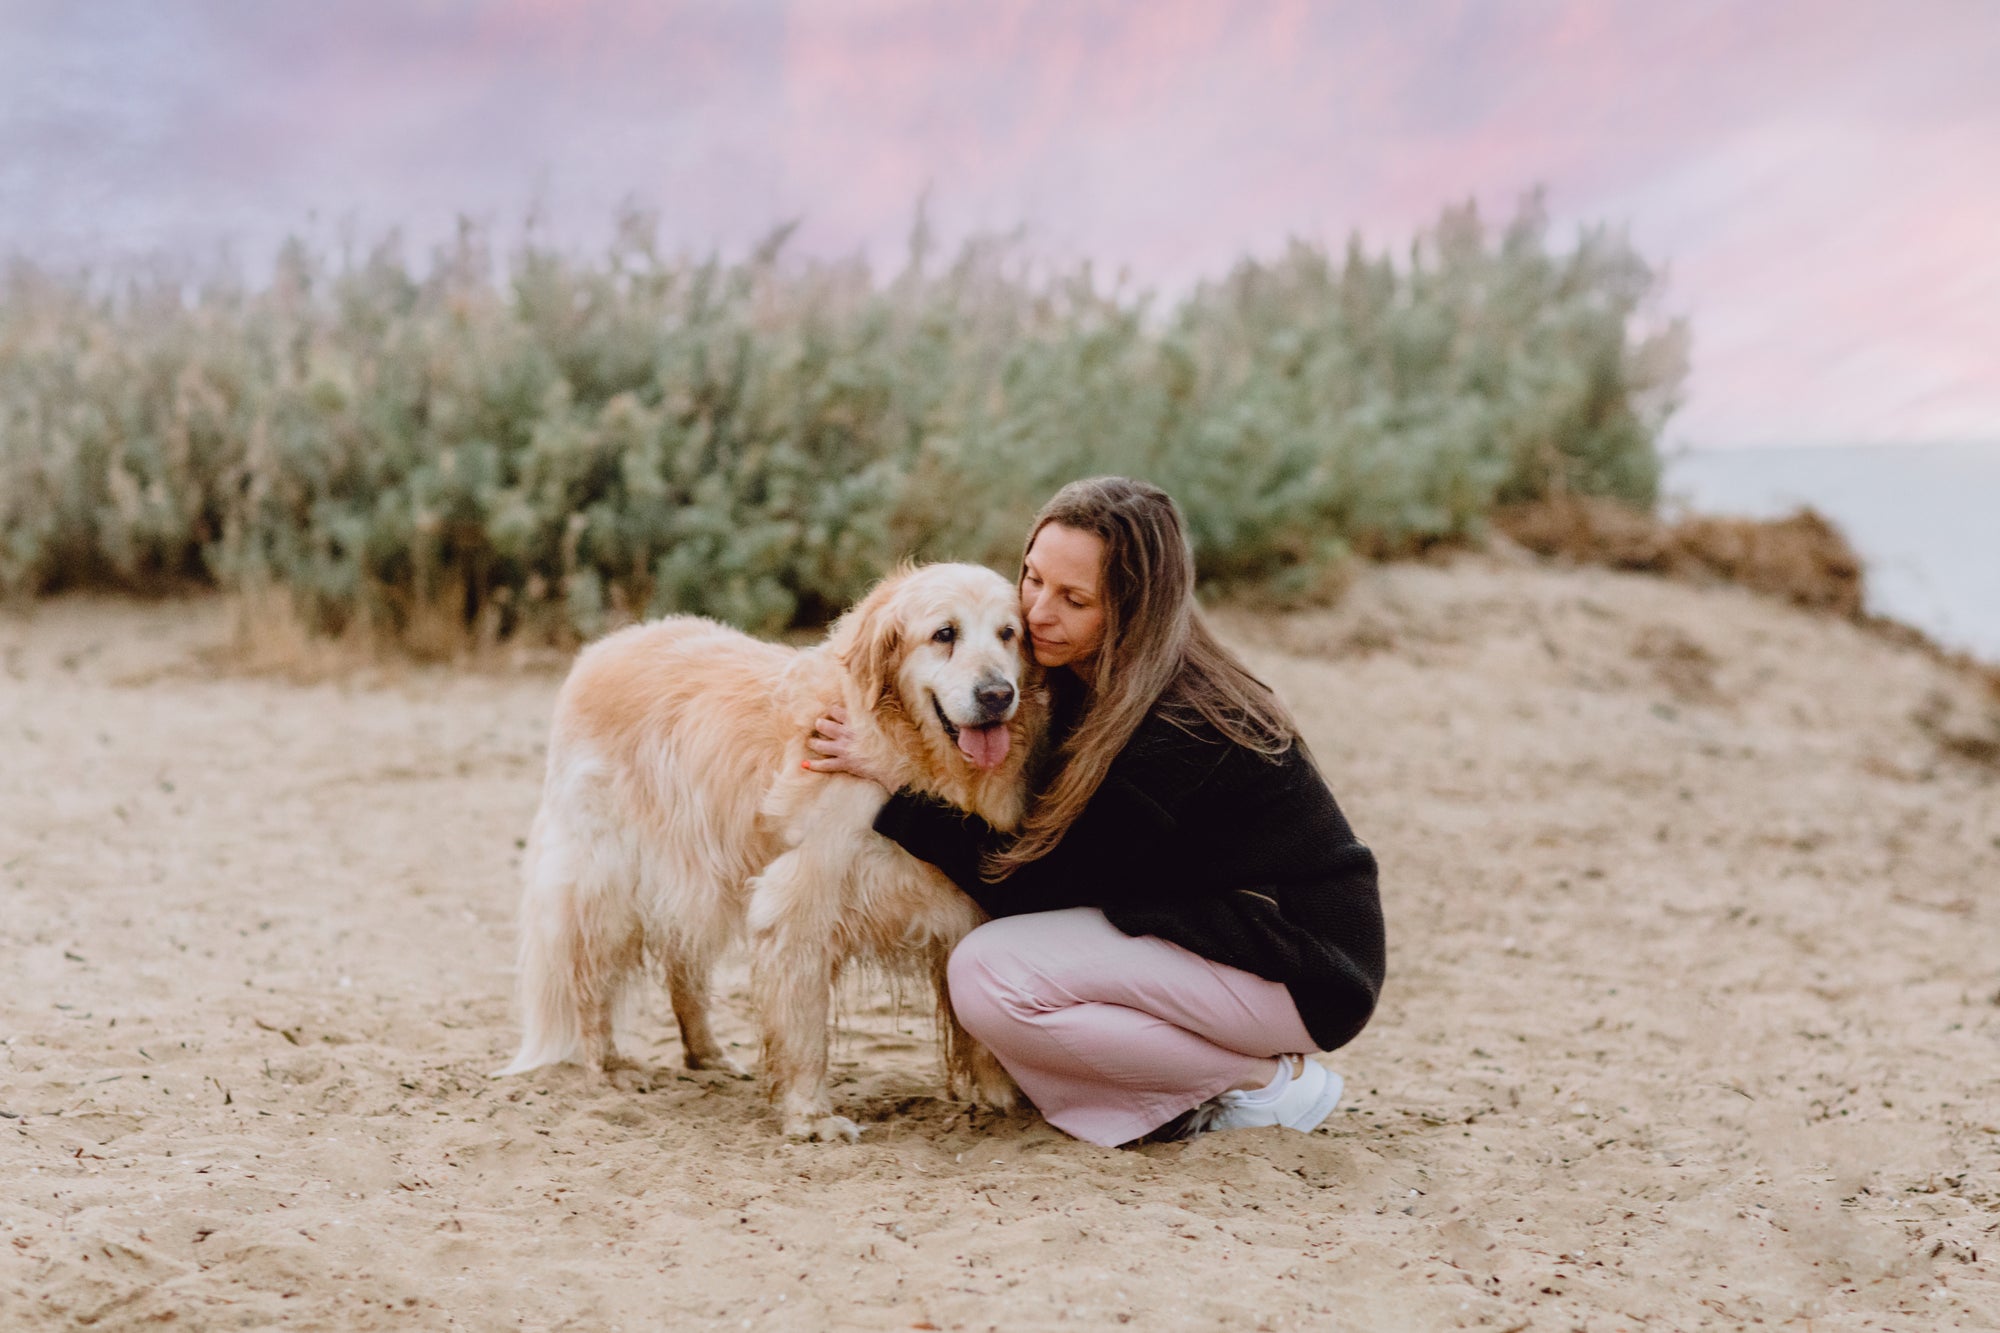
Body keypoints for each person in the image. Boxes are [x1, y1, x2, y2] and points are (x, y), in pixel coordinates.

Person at [805, 477, 1384, 1147]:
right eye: (1032, 578)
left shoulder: (1177, 727)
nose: (1037, 612)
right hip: (1218, 935)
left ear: (1132, 613)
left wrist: (896, 789)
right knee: (1014, 969)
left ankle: (1257, 1081)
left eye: (1073, 598)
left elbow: (1038, 887)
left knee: (988, 972)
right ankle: (1174, 1090)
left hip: (1301, 966)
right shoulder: (1085, 680)